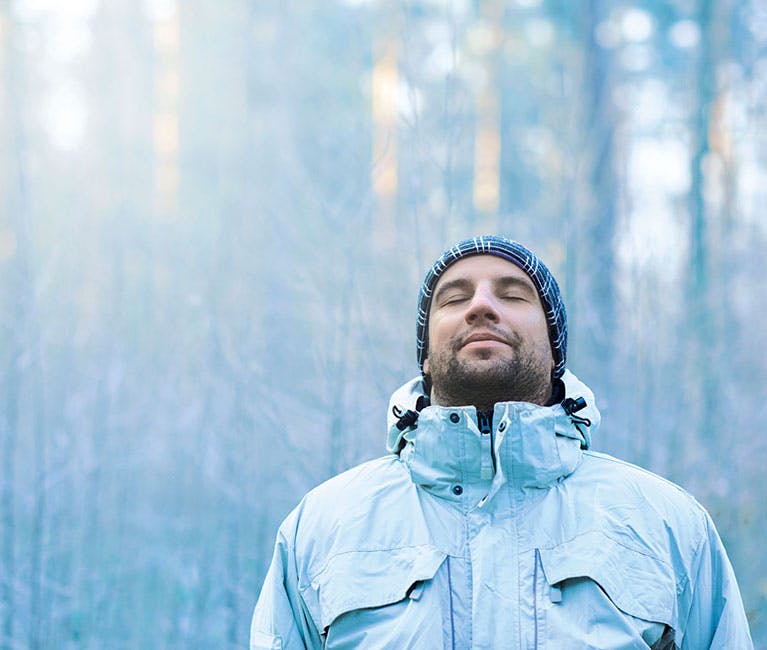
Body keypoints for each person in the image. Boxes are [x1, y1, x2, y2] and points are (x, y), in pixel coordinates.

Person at [250, 235, 753, 649]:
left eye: (512, 295)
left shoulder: (667, 524)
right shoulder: (322, 527)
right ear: (424, 357)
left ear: (556, 349)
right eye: (454, 298)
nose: (481, 306)